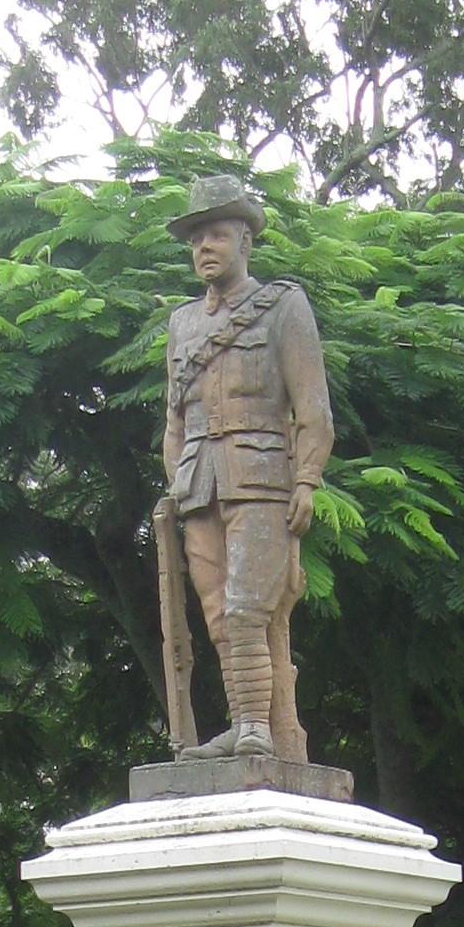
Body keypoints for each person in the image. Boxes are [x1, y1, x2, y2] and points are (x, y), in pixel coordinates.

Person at [160, 174, 334, 758]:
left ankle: (259, 730)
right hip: (199, 483)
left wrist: (306, 479)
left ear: (244, 240)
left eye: (213, 235)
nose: (202, 248)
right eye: (194, 240)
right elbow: (174, 419)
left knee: (246, 610)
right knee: (214, 616)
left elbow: (313, 409)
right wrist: (175, 484)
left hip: (263, 480)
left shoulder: (283, 306)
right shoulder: (182, 324)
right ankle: (244, 723)